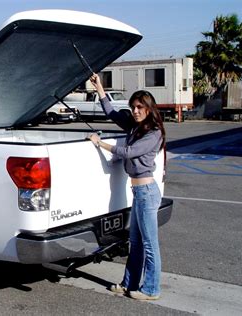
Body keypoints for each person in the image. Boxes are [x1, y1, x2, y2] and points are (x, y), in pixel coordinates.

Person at [88, 73, 165, 301]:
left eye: (140, 107)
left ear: (149, 109)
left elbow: (130, 152)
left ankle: (151, 289)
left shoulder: (154, 133)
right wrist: (100, 88)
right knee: (136, 242)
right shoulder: (134, 126)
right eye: (133, 107)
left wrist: (99, 143)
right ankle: (128, 283)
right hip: (138, 192)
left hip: (147, 193)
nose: (136, 111)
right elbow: (111, 113)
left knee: (150, 245)